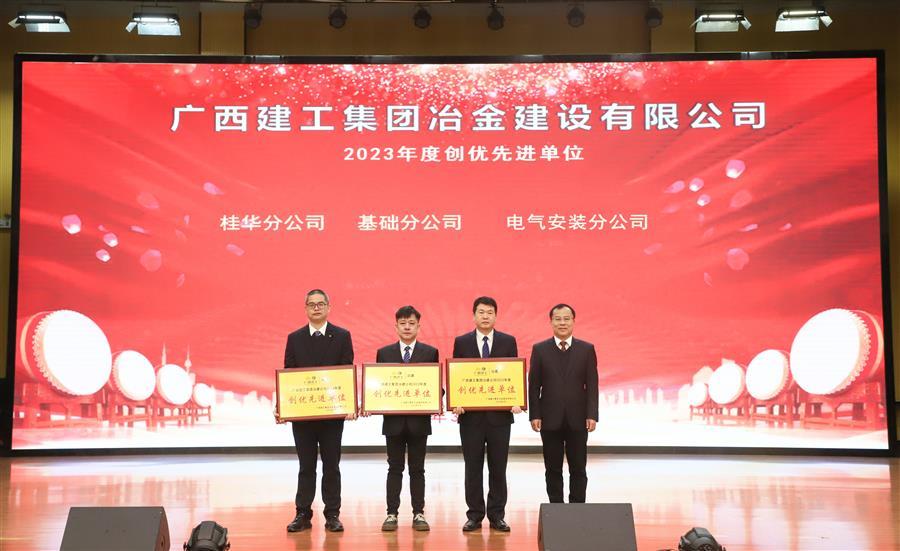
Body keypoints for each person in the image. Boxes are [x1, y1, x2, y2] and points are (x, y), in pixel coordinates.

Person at [280, 289, 355, 533]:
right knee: (306, 466)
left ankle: (332, 514)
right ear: (305, 309)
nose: (316, 308)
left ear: (328, 307)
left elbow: (346, 372)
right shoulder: (295, 338)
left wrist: (349, 404)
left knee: (332, 466)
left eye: (320, 304)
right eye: (311, 304)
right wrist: (284, 405)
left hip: (332, 417)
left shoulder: (342, 336)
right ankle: (302, 513)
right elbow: (289, 375)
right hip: (304, 417)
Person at [452, 296, 521, 533]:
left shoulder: (508, 341)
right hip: (470, 418)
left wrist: (516, 399)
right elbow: (457, 375)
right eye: (481, 312)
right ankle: (474, 515)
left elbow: (513, 375)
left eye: (489, 312)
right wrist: (456, 401)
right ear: (474, 316)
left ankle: (497, 515)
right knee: (472, 468)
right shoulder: (461, 342)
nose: (485, 316)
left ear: (496, 316)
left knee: (498, 468)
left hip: (499, 418)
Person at [373, 305, 439, 532]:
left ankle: (419, 513)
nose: (407, 327)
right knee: (394, 468)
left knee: (417, 469)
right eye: (403, 323)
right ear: (396, 327)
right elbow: (378, 386)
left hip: (419, 422)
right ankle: (391, 514)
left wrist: (436, 398)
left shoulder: (430, 352)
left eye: (411, 323)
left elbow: (435, 386)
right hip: (393, 423)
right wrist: (373, 401)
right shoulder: (384, 353)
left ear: (419, 327)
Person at [528, 303, 598, 504]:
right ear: (551, 322)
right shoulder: (540, 349)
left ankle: (577, 508)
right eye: (557, 319)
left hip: (578, 419)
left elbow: (592, 384)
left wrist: (592, 414)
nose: (562, 323)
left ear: (573, 322)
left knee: (578, 468)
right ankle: (556, 508)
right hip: (549, 419)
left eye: (567, 319)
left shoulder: (586, 349)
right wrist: (535, 415)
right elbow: (534, 385)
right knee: (552, 468)